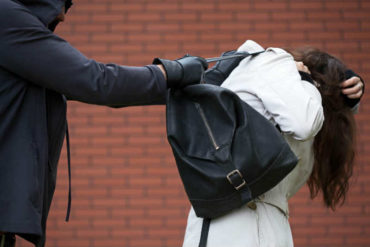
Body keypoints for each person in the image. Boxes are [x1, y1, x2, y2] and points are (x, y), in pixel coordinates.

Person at [0, 0, 208, 246]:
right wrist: (173, 72)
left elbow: (97, 85)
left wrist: (194, 87)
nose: (64, 17)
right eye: (64, 3)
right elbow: (96, 81)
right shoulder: (5, 17)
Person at [182, 40, 364, 247]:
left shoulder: (289, 100)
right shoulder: (275, 63)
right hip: (234, 219)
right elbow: (304, 123)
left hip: (263, 221)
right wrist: (307, 80)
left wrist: (350, 91)